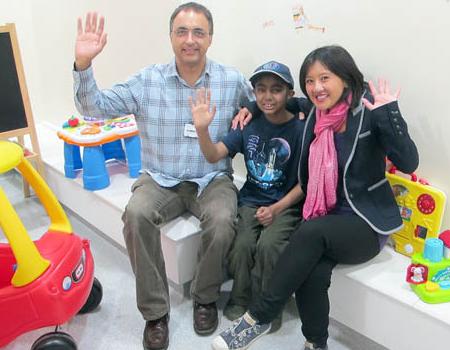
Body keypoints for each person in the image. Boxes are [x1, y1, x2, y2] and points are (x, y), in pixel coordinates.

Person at [211, 44, 419, 350]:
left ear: (345, 78)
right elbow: (278, 100)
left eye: (325, 78)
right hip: (328, 220)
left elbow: (409, 162)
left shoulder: (369, 112)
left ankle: (260, 315)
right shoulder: (313, 112)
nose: (317, 88)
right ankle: (316, 343)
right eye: (310, 81)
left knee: (310, 230)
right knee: (313, 273)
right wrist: (251, 108)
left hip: (365, 223)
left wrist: (390, 113)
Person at [72, 3, 254, 349]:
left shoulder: (231, 81)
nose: (190, 40)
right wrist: (84, 64)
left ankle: (204, 297)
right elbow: (94, 108)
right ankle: (156, 314)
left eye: (198, 32)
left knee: (222, 219)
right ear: (171, 37)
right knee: (136, 214)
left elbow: (262, 105)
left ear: (210, 38)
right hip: (160, 178)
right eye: (182, 32)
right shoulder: (147, 81)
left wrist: (251, 109)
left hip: (211, 177)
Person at [190, 61, 305, 326]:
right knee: (241, 244)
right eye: (261, 89)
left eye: (276, 89)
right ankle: (240, 298)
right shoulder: (247, 125)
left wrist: (276, 209)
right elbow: (213, 155)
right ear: (253, 93)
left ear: (290, 93)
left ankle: (267, 307)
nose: (267, 96)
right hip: (251, 201)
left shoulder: (300, 130)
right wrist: (202, 130)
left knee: (269, 246)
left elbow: (306, 183)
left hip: (286, 205)